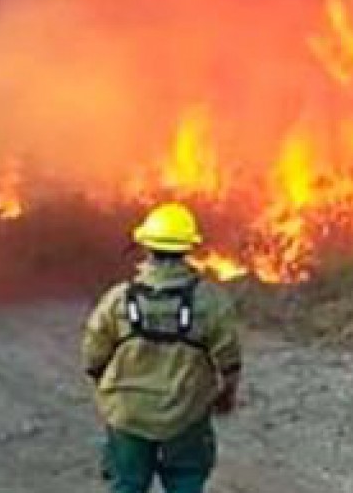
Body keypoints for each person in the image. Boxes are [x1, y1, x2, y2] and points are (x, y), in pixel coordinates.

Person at [81, 203, 241, 493]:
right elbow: (229, 359)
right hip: (186, 416)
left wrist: (105, 387)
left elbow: (93, 355)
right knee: (186, 482)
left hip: (128, 415)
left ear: (146, 248)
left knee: (127, 484)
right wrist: (225, 395)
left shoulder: (118, 300)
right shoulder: (211, 301)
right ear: (188, 249)